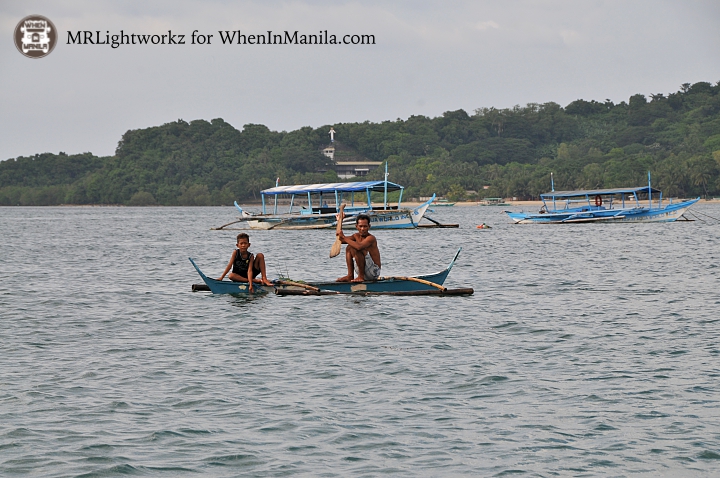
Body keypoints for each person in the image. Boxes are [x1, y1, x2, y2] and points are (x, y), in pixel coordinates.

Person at [336, 214, 381, 283]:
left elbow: (359, 247)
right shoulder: (356, 236)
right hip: (364, 269)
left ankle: (361, 276)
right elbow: (341, 240)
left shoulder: (371, 238)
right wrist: (340, 221)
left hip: (373, 272)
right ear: (356, 226)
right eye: (360, 226)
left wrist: (344, 237)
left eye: (365, 226)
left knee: (357, 248)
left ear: (369, 227)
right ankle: (350, 275)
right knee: (349, 247)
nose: (362, 229)